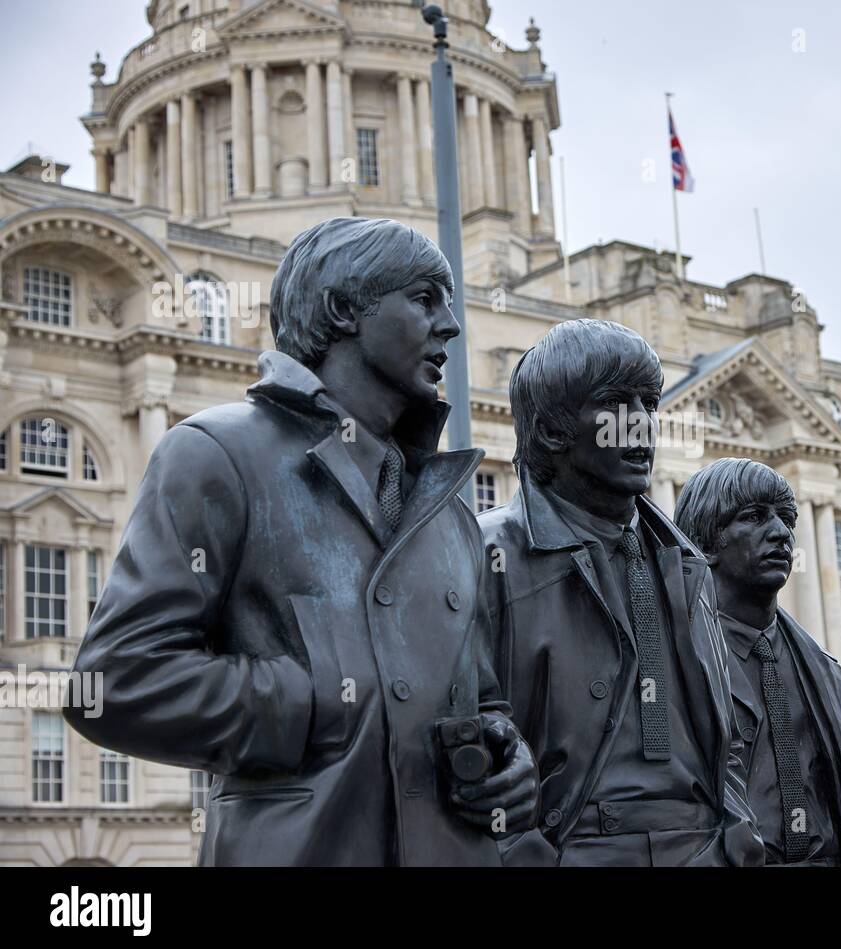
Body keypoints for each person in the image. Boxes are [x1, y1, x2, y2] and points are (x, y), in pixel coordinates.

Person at [64, 217, 538, 865]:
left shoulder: (448, 508)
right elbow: (113, 681)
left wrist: (506, 747)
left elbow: (481, 693)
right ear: (345, 309)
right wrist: (316, 702)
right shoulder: (217, 454)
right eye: (425, 299)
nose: (451, 325)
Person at [479, 319, 764, 866]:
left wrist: (735, 835)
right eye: (613, 404)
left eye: (649, 404)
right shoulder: (485, 555)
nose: (639, 425)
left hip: (701, 846)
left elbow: (722, 732)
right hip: (574, 846)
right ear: (553, 429)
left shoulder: (687, 566)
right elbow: (463, 731)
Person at [674, 458, 841, 866]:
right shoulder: (673, 662)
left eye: (785, 518)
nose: (781, 533)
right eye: (755, 517)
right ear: (707, 543)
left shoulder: (824, 670)